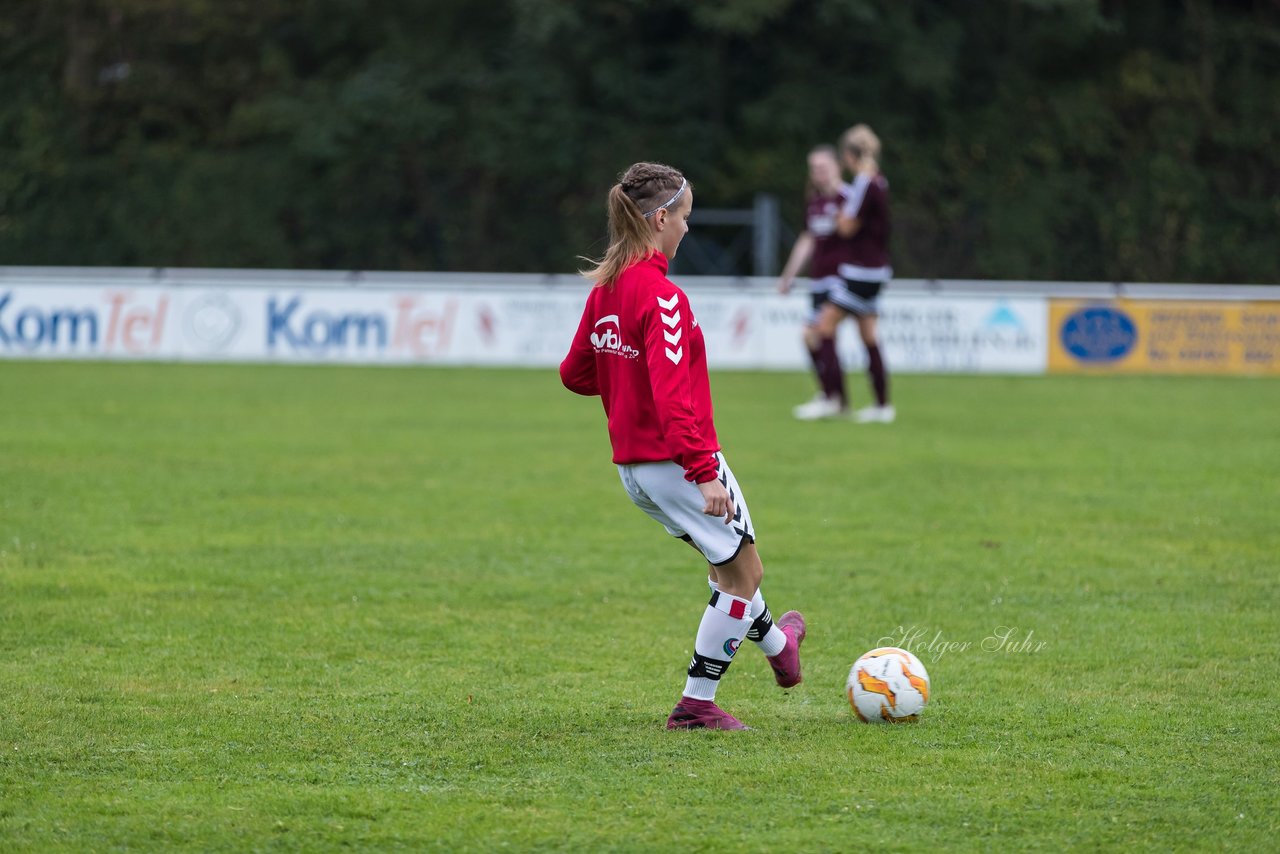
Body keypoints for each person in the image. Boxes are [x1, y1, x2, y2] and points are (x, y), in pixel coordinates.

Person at [560, 162, 806, 731]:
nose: (688, 229)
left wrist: (626, 382)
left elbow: (576, 373)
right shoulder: (663, 297)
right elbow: (673, 402)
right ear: (661, 217)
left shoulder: (608, 288)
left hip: (636, 470)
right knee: (744, 574)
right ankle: (696, 705)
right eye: (686, 218)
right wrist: (703, 471)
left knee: (731, 568)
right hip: (678, 462)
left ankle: (780, 649)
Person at [777, 145, 855, 420]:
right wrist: (788, 276)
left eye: (822, 167)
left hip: (843, 281)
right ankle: (834, 398)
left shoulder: (849, 198)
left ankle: (833, 398)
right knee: (811, 336)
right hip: (819, 282)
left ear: (837, 166)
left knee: (821, 330)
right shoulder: (815, 202)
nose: (817, 173)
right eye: (814, 168)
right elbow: (807, 240)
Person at [824, 123, 894, 423]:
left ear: (850, 156)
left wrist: (837, 216)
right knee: (868, 335)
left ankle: (834, 400)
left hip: (861, 270)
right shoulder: (880, 181)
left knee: (823, 327)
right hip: (877, 269)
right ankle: (882, 406)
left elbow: (848, 226)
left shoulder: (864, 183)